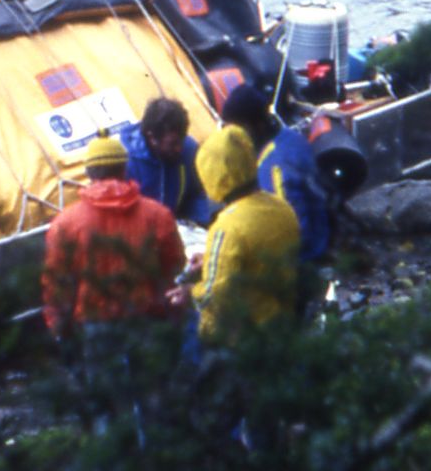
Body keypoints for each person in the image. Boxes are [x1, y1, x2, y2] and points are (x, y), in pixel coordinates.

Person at [41, 135, 186, 438]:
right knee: (155, 401)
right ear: (124, 168)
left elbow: (56, 284)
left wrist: (58, 327)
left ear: (90, 174)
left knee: (106, 405)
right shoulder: (157, 215)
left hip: (96, 326)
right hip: (149, 320)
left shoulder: (66, 224)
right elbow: (175, 266)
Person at [190, 123, 300, 347]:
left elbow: (214, 295)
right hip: (286, 320)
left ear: (211, 175)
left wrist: (189, 292)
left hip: (249, 337)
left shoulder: (226, 228)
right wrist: (209, 259)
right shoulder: (280, 206)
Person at [220, 83, 331, 261]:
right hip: (319, 235)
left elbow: (291, 232)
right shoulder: (290, 137)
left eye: (236, 130)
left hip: (300, 259)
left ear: (256, 125)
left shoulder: (274, 167)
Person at [122, 96, 212, 225]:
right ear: (152, 137)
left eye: (182, 139)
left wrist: (198, 223)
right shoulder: (126, 162)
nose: (179, 148)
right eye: (173, 143)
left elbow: (196, 192)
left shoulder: (189, 148)